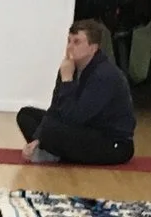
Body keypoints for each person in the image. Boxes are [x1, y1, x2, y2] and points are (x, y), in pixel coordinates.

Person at [17, 20, 135, 167]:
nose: (70, 47)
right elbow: (55, 109)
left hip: (112, 142)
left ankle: (55, 151)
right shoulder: (69, 67)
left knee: (52, 130)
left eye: (77, 42)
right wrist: (38, 138)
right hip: (82, 129)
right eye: (69, 41)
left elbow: (75, 117)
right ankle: (53, 150)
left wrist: (67, 81)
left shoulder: (105, 75)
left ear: (93, 48)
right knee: (26, 115)